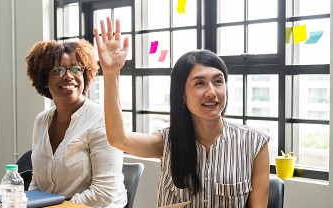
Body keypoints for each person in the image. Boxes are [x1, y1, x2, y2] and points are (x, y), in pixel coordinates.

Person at [94, 16, 270, 208]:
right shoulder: (167, 141)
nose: (212, 92)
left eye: (218, 81)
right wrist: (111, 74)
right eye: (200, 83)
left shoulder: (254, 144)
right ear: (182, 96)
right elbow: (118, 139)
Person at [25, 39, 127, 207]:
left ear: (85, 76)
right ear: (44, 78)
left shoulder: (102, 119)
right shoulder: (41, 120)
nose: (68, 76)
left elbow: (104, 192)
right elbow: (37, 180)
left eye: (76, 69)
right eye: (58, 70)